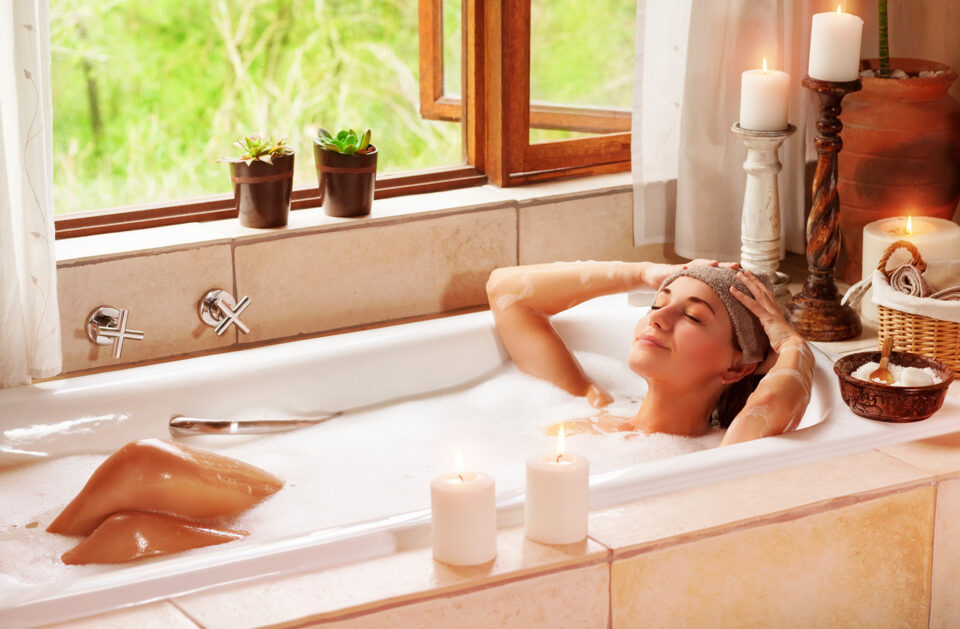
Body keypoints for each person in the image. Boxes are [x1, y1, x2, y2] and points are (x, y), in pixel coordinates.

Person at [485, 260, 814, 445]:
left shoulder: (719, 451)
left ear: (737, 367)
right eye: (658, 303)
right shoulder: (589, 401)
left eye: (692, 317)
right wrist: (643, 274)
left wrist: (790, 343)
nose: (656, 317)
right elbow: (505, 291)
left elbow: (773, 402)